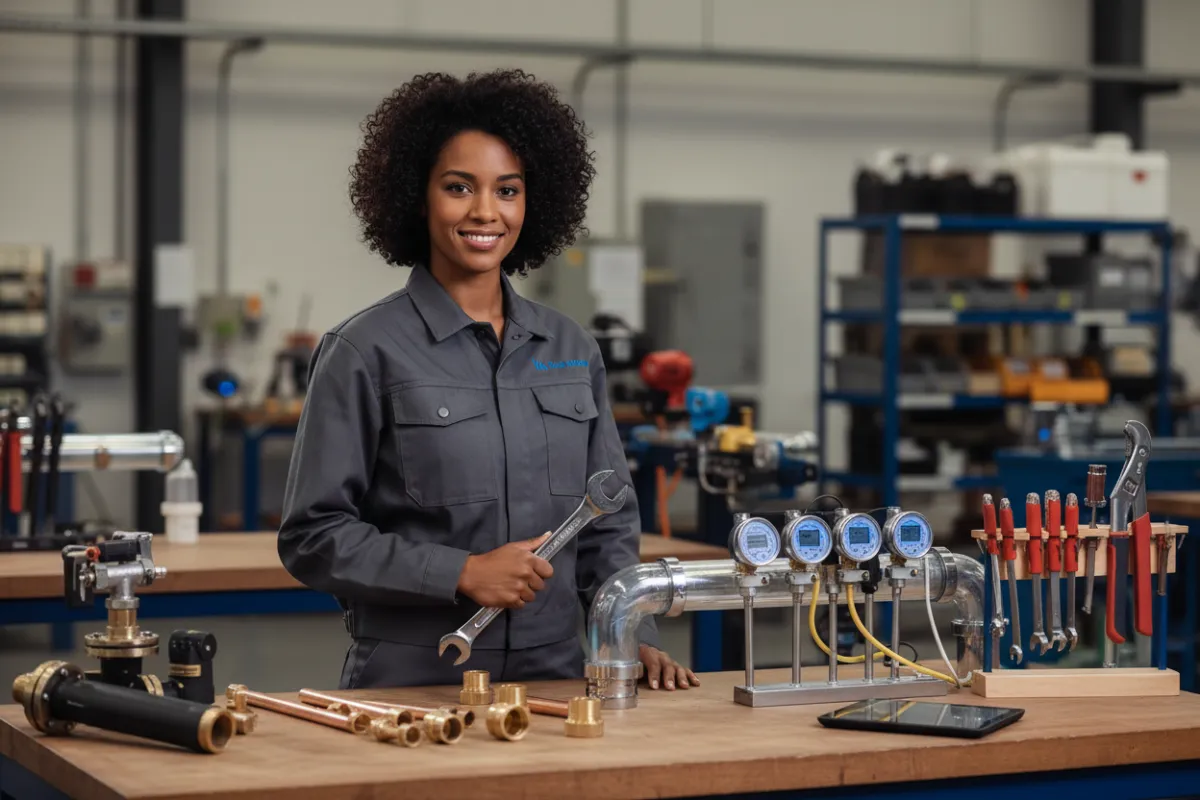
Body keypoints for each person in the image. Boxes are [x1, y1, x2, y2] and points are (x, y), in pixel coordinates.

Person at [277, 68, 698, 693]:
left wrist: (627, 633)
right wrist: (461, 571)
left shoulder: (570, 348)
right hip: (415, 674)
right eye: (458, 187)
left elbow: (607, 519)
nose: (485, 212)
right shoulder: (363, 350)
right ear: (418, 198)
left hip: (559, 674)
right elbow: (313, 536)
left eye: (507, 190)